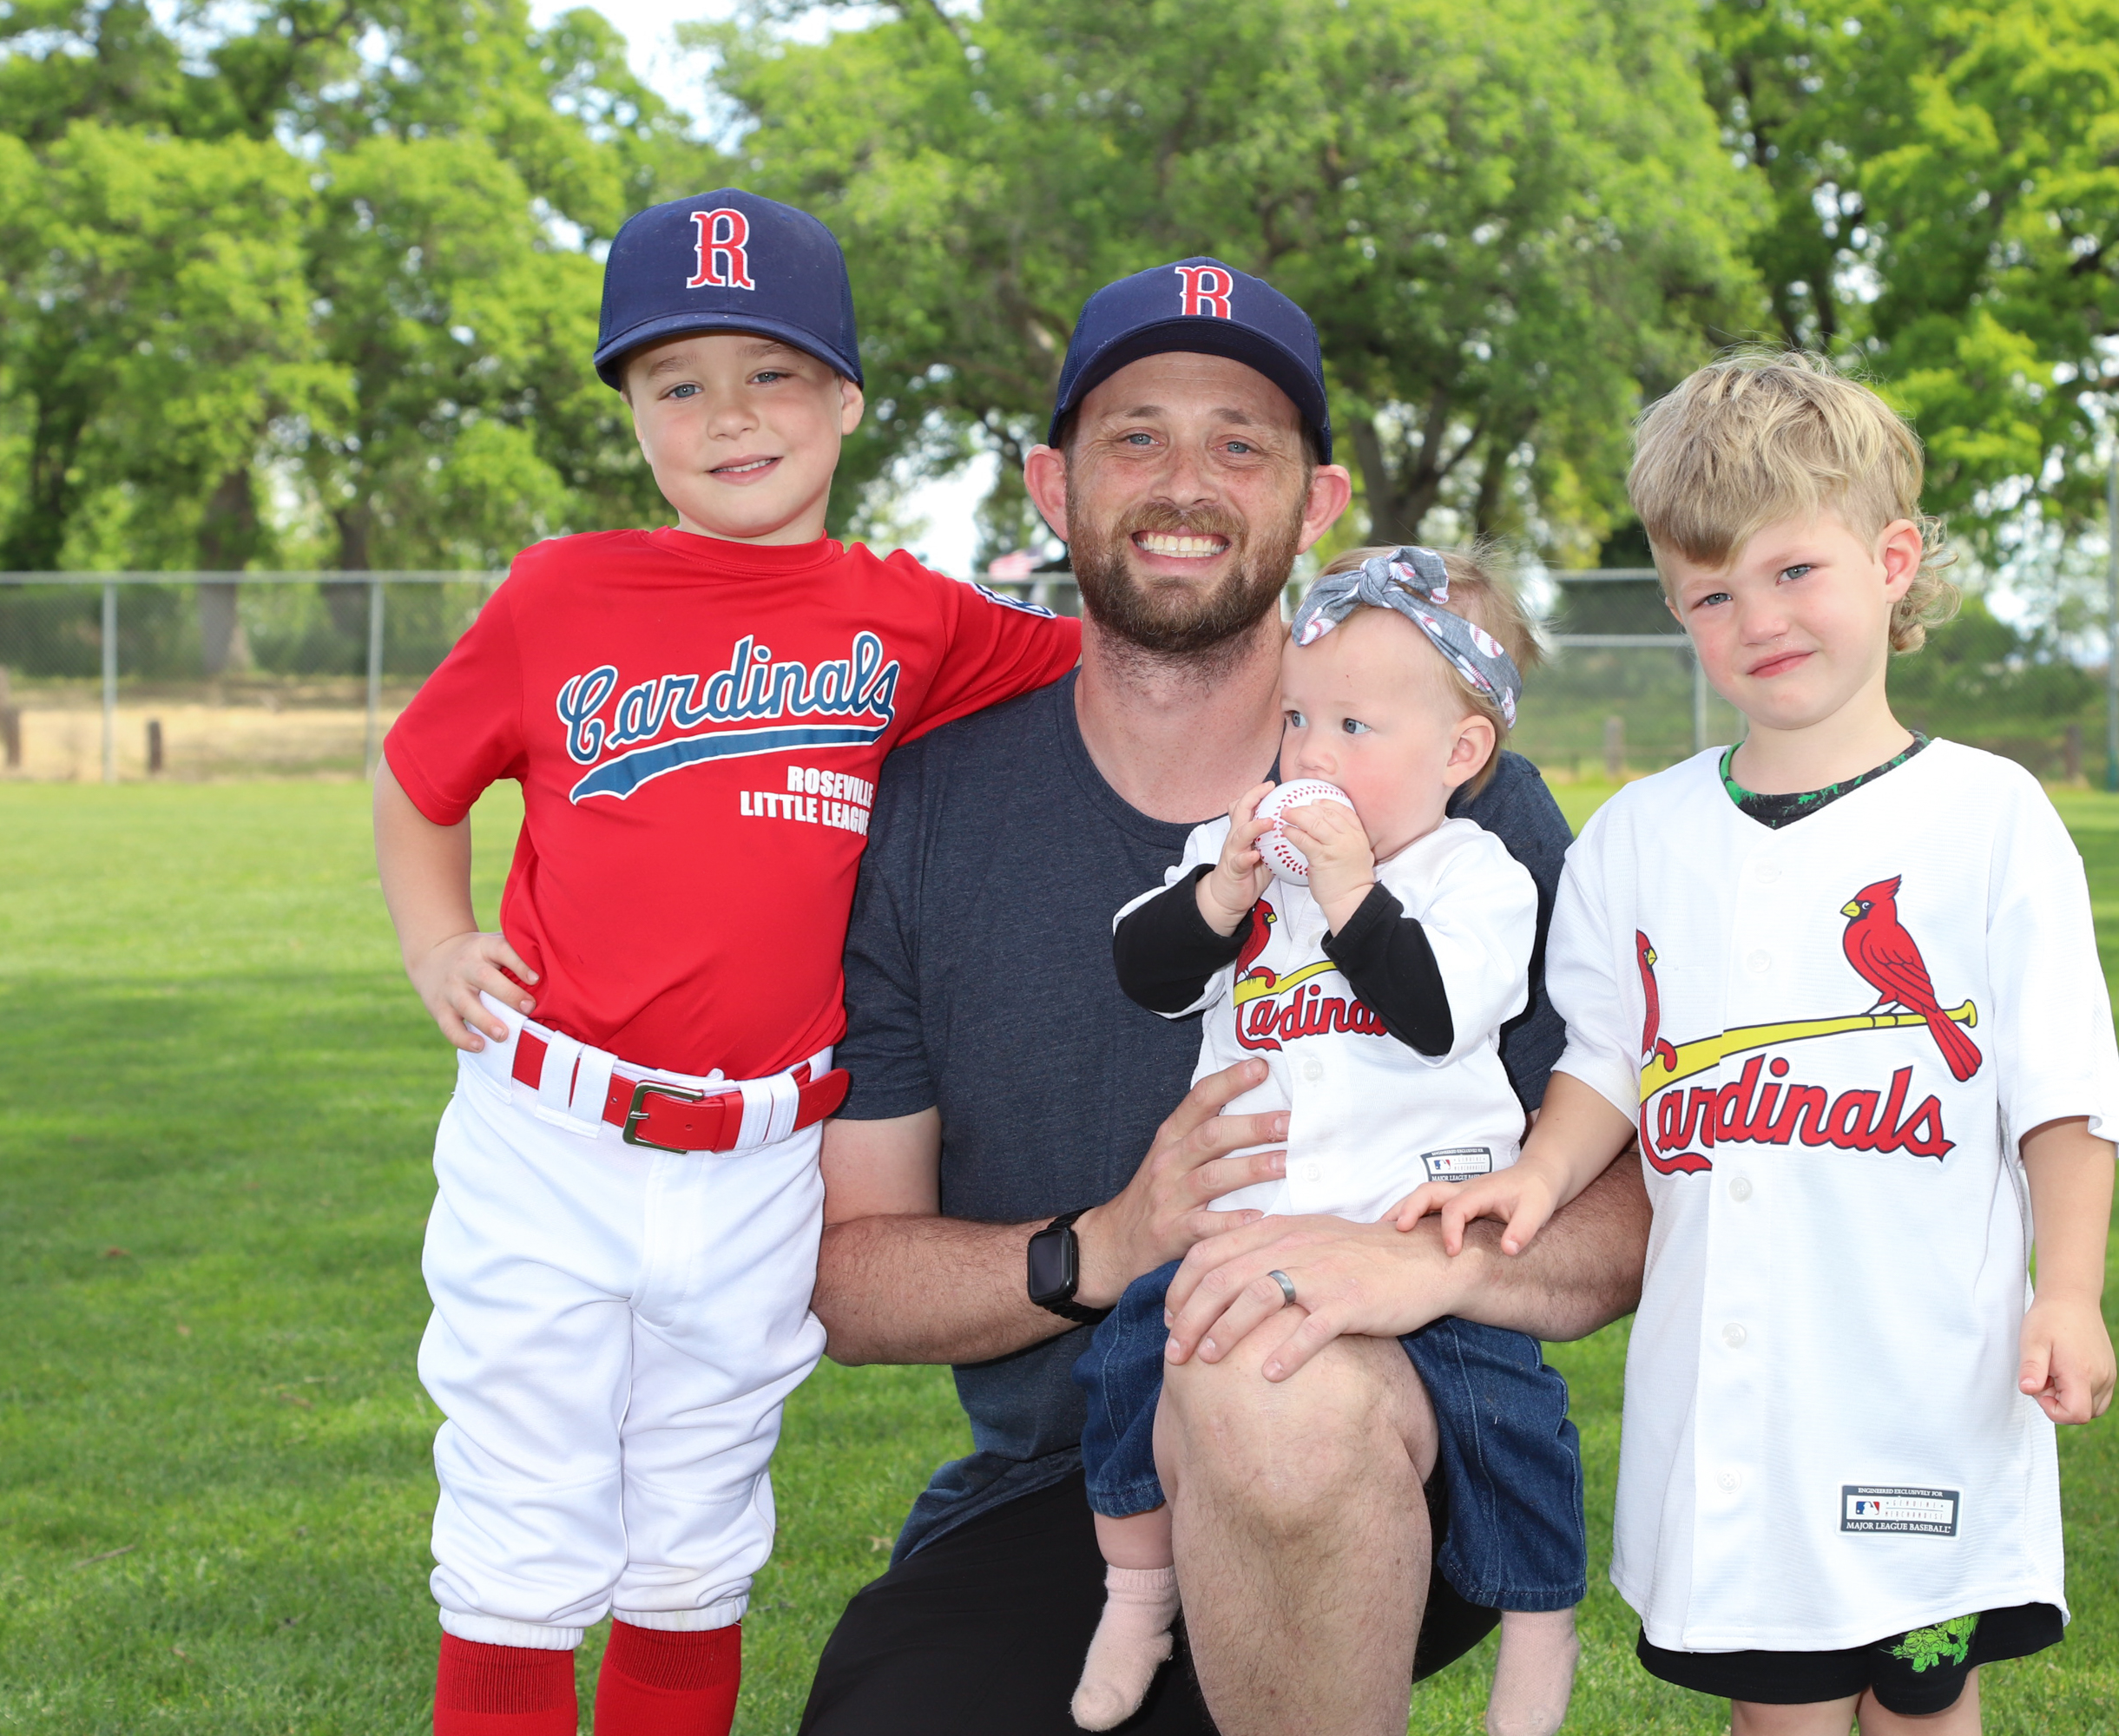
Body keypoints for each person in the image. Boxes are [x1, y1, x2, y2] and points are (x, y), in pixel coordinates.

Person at [798, 256, 1649, 1736]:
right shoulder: (932, 810)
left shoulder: (1455, 810)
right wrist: (1108, 1244)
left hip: (1386, 1415)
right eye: (1137, 436)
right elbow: (852, 1277)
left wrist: (1428, 1270)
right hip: (1079, 1473)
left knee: (1270, 1380)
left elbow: (1626, 1212)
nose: (1186, 482)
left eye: (1241, 443)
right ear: (1053, 487)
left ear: (1317, 503)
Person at [372, 188, 1083, 1736]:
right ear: (633, 413)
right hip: (554, 1133)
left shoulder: (909, 616)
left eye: (771, 372)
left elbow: (1124, 658)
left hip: (767, 1156)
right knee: (520, 1526)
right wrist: (435, 935)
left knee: (697, 1538)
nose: (728, 415)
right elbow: (420, 778)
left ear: (847, 399)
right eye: (677, 382)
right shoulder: (562, 592)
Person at [1402, 351, 2119, 1735]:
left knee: (1925, 1700)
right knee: (1777, 1709)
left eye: (1796, 570)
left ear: (1893, 563)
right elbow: (1606, 1059)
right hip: (1739, 1388)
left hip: (1927, 1383)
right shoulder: (1640, 835)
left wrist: (2073, 1292)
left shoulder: (1990, 818)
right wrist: (1540, 1176)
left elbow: (2064, 1091)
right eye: (1714, 594)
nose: (1760, 619)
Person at [1071, 544, 1583, 1736]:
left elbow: (1434, 1014)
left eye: (1355, 727)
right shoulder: (1245, 860)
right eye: (1298, 720)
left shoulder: (1477, 877)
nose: (1311, 756)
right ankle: (1136, 1595)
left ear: (1459, 753)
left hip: (1413, 1236)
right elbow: (1144, 971)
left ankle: (1540, 1623)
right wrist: (1220, 895)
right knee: (1124, 1367)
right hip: (1240, 1239)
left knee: (1511, 1422)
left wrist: (1352, 896)